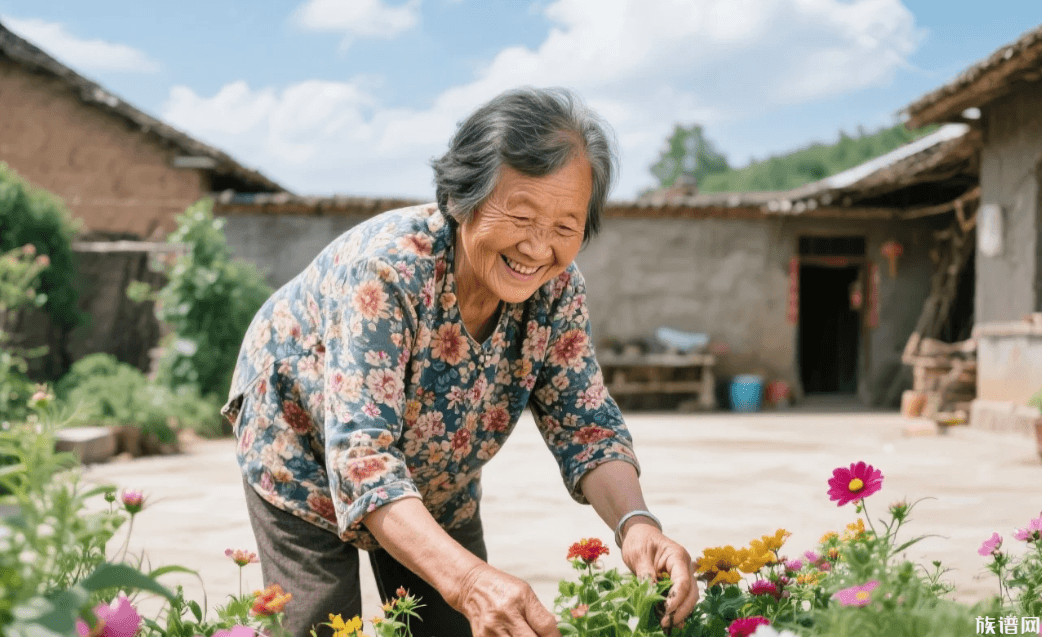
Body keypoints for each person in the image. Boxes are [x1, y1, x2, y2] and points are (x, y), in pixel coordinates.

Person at [221, 87, 698, 637]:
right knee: (320, 624)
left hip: (435, 467)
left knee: (455, 625)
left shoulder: (557, 291)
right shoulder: (390, 272)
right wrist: (469, 580)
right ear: (459, 198)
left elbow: (586, 425)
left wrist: (637, 524)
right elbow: (364, 460)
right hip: (299, 437)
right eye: (521, 217)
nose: (538, 248)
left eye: (564, 228)